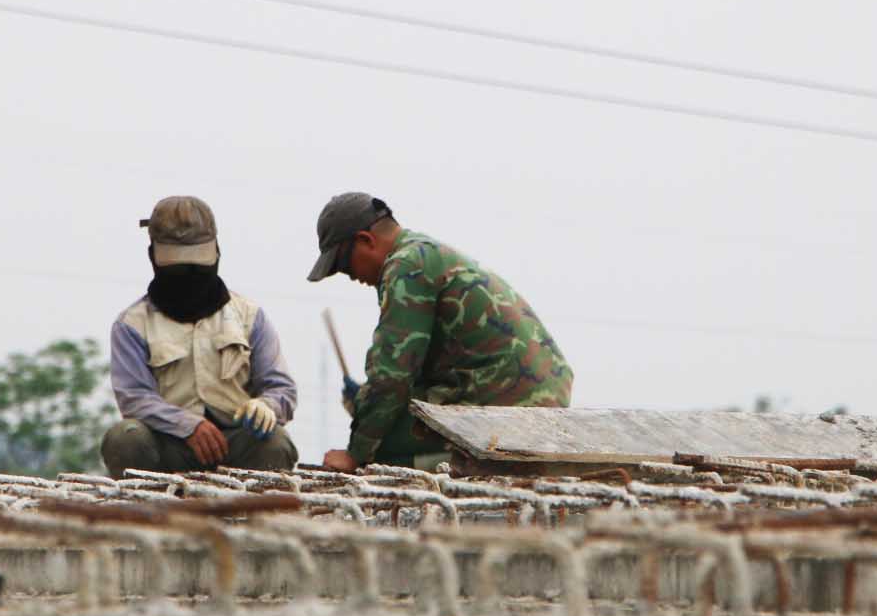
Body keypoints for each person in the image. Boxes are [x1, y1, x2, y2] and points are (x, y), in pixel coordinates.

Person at [306, 192, 572, 473]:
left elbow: (392, 377)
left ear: (366, 241)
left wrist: (355, 454)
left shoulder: (405, 267)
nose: (352, 277)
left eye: (346, 266)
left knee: (382, 442)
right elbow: (413, 374)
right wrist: (364, 400)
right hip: (538, 392)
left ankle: (452, 474)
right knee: (381, 416)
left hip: (509, 402)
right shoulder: (426, 254)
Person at [101, 196, 300, 478]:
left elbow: (282, 389)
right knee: (124, 438)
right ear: (154, 259)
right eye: (179, 269)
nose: (189, 278)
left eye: (197, 266)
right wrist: (188, 426)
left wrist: (267, 406)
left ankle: (258, 517)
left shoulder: (249, 316)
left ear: (216, 254)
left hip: (235, 445)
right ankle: (145, 512)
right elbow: (135, 398)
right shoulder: (131, 325)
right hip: (168, 446)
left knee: (275, 441)